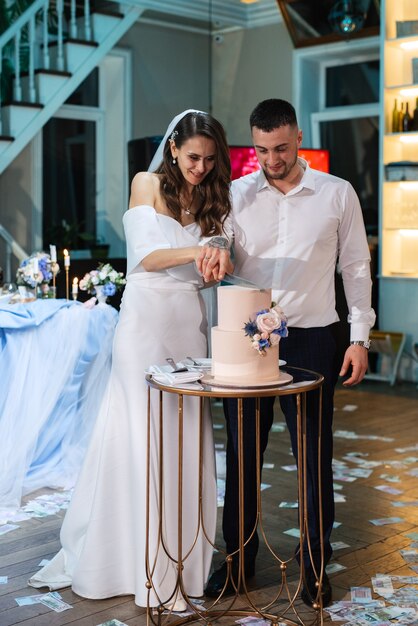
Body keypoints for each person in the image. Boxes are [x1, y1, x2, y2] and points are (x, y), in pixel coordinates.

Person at [28, 109, 233, 610]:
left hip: (190, 323)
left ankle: (182, 560)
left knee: (186, 437)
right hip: (143, 327)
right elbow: (145, 256)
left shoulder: (211, 195)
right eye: (193, 157)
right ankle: (132, 559)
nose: (201, 167)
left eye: (209, 159)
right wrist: (202, 249)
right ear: (173, 149)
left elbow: (215, 258)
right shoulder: (147, 183)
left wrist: (218, 252)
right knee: (142, 435)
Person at [201, 98, 376, 607]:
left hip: (314, 338)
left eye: (279, 148)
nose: (271, 160)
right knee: (242, 455)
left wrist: (359, 338)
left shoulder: (337, 194)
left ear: (298, 136)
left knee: (313, 457)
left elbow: (355, 270)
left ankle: (316, 568)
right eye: (261, 150)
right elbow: (222, 242)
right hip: (248, 337)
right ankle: (237, 565)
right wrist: (217, 248)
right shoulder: (235, 193)